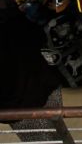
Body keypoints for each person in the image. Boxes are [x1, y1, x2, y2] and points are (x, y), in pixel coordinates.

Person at [1, 13, 63, 142]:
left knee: (42, 139)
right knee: (59, 133)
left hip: (19, 108)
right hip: (46, 86)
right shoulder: (12, 18)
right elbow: (39, 36)